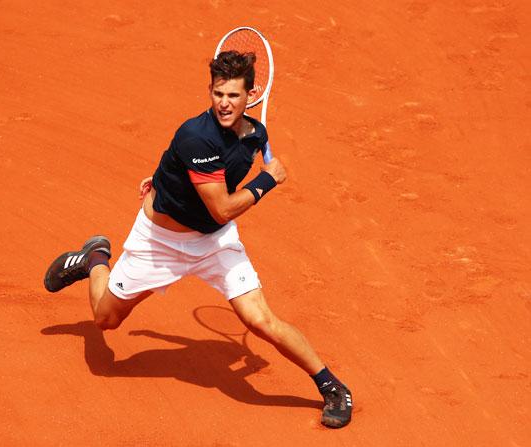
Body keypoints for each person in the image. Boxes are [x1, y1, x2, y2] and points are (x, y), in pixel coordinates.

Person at [43, 51, 353, 428]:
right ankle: (96, 257)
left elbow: (199, 181)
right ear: (210, 90)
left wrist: (162, 176)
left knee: (260, 319)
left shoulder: (256, 134)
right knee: (105, 320)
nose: (225, 103)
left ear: (251, 94)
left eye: (234, 96)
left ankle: (332, 386)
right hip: (160, 244)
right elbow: (222, 206)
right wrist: (268, 179)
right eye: (218, 94)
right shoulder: (196, 136)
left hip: (214, 243)